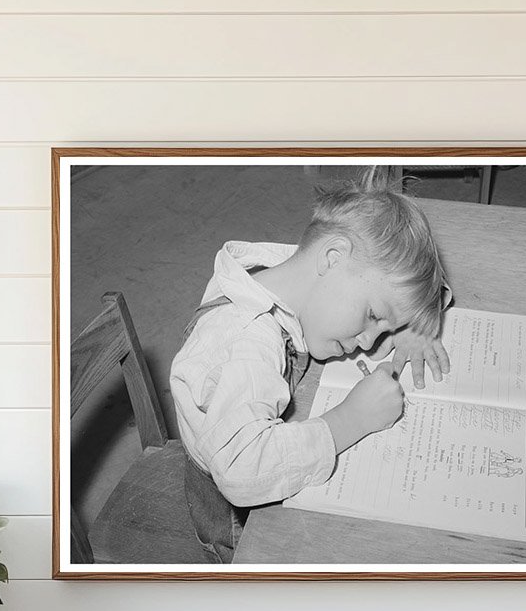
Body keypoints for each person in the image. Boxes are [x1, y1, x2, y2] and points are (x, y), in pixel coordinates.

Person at [169, 175, 450, 563]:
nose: (369, 342)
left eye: (385, 328)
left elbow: (408, 275)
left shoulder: (288, 269)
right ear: (333, 258)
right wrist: (350, 420)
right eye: (372, 316)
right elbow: (242, 471)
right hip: (240, 523)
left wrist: (416, 325)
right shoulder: (246, 343)